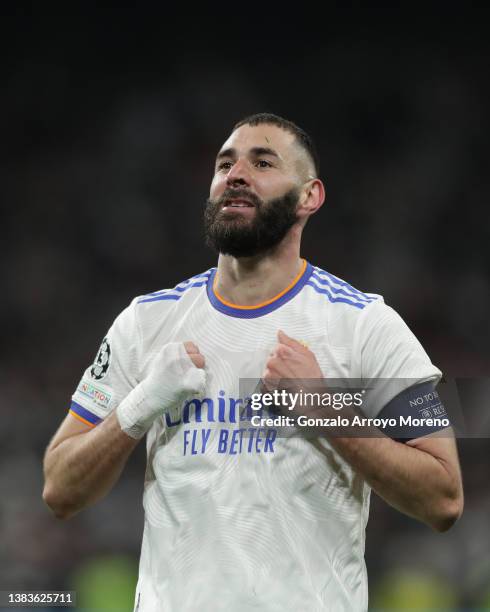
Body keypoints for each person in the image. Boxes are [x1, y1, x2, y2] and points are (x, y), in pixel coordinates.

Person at [43, 113, 464, 612]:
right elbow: (59, 488)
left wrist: (328, 413)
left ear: (310, 196)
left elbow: (444, 499)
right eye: (225, 164)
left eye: (262, 162)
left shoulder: (365, 325)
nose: (236, 174)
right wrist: (139, 406)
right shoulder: (147, 322)